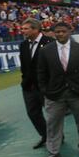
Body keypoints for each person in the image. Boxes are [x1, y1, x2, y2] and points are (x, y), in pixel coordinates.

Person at [37, 22, 79, 157]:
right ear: (53, 33)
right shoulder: (45, 51)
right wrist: (45, 90)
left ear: (69, 31)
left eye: (63, 31)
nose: (60, 34)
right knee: (53, 123)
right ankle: (53, 152)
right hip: (54, 94)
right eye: (57, 32)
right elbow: (41, 73)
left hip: (78, 91)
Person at [19, 18, 54, 149]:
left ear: (35, 29)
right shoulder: (23, 45)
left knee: (52, 114)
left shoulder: (50, 42)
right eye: (22, 28)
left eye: (25, 28)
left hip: (46, 86)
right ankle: (45, 136)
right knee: (33, 113)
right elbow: (24, 66)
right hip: (28, 87)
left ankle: (57, 137)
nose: (23, 31)